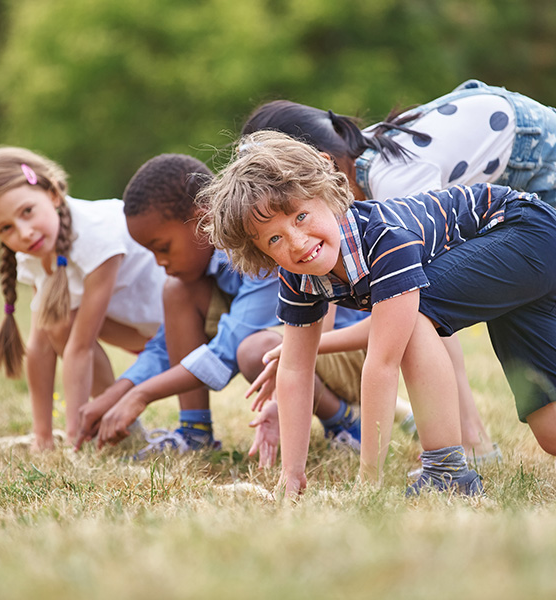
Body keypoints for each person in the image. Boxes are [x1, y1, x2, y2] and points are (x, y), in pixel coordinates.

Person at [202, 130, 556, 497]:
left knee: (418, 311)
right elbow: (294, 368)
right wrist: (292, 473)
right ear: (260, 252)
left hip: (524, 231)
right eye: (274, 239)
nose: (297, 242)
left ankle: (448, 472)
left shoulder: (386, 239)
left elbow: (383, 361)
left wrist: (368, 483)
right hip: (527, 259)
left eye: (301, 216)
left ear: (328, 196)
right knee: (550, 432)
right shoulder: (298, 276)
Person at [74, 154, 368, 458]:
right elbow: (166, 347)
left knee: (255, 351)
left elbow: (228, 350)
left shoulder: (263, 246)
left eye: (163, 248)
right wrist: (116, 393)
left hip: (343, 352)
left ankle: (345, 422)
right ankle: (195, 432)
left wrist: (141, 395)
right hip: (296, 352)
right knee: (177, 291)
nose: (160, 262)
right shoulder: (199, 278)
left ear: (203, 220)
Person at [0, 147, 167, 450]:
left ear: (53, 194)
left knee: (65, 325)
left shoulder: (96, 236)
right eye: (6, 228)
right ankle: (113, 424)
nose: (25, 233)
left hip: (171, 333)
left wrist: (72, 440)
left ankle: (91, 428)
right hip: (137, 332)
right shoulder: (35, 252)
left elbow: (80, 348)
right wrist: (41, 435)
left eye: (27, 211)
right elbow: (41, 345)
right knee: (55, 324)